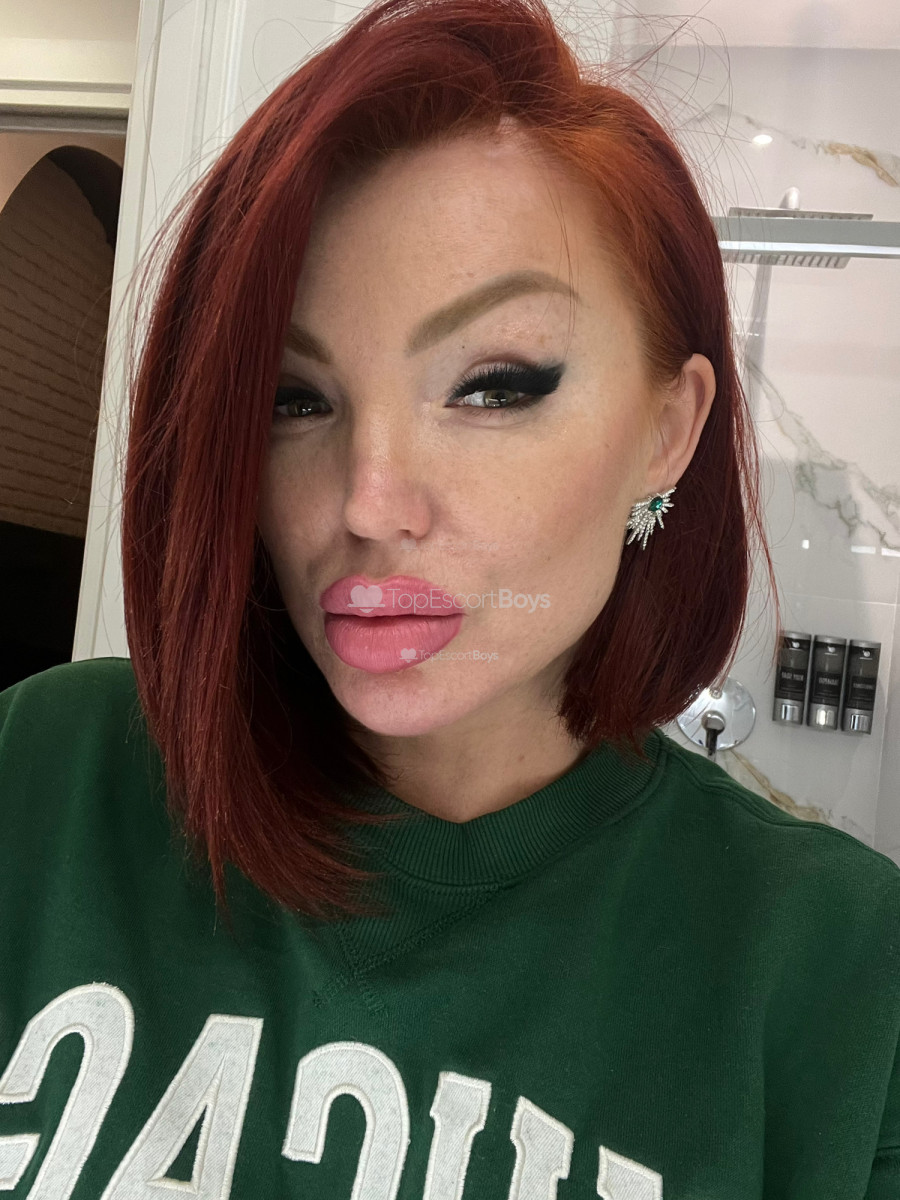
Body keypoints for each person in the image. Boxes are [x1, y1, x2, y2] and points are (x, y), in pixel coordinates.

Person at [1, 0, 898, 1194]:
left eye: (493, 386)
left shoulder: (842, 976)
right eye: (293, 399)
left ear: (666, 430)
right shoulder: (48, 777)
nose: (369, 503)